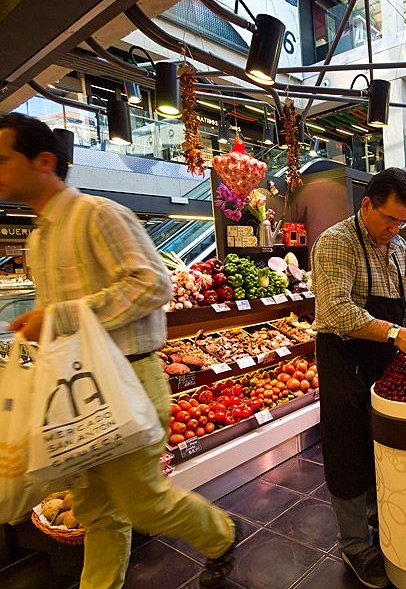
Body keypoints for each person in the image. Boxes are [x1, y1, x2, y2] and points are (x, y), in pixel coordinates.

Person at [0, 113, 238, 589]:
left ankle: (223, 536)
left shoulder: (99, 215)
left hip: (128, 380)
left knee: (143, 501)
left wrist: (62, 316)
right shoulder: (39, 235)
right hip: (77, 390)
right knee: (96, 510)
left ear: (44, 161)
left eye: (3, 159)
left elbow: (153, 284)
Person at [312, 167, 406, 588]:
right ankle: (354, 543)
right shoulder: (337, 243)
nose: (394, 229)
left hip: (384, 364)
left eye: (401, 222)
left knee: (382, 447)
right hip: (345, 360)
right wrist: (397, 333)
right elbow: (337, 312)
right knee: (348, 451)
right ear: (366, 206)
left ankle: (382, 524)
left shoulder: (397, 248)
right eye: (388, 219)